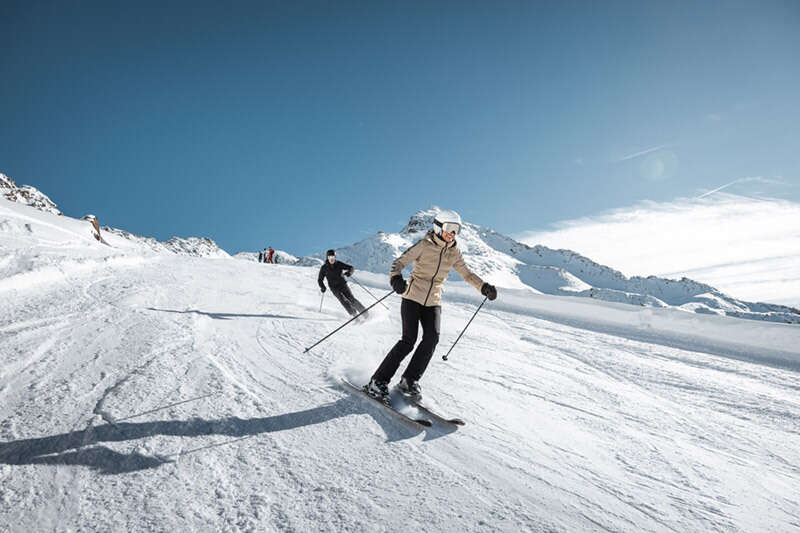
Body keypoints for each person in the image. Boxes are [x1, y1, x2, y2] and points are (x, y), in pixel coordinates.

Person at [366, 210, 497, 401]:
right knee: (408, 341)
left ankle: (409, 380)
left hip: (433, 301)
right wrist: (396, 279)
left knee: (432, 338)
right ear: (438, 227)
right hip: (412, 297)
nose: (452, 233)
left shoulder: (454, 252)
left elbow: (467, 274)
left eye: (456, 230)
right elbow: (399, 263)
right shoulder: (424, 245)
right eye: (449, 228)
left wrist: (483, 287)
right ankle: (378, 381)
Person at [318, 249, 367, 318]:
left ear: (335, 257)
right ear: (327, 258)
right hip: (334, 288)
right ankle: (354, 315)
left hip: (343, 284)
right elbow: (320, 279)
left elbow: (351, 268)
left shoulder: (339, 264)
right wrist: (322, 287)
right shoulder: (324, 268)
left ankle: (364, 312)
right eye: (330, 257)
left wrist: (349, 272)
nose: (331, 259)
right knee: (343, 300)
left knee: (351, 298)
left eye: (333, 257)